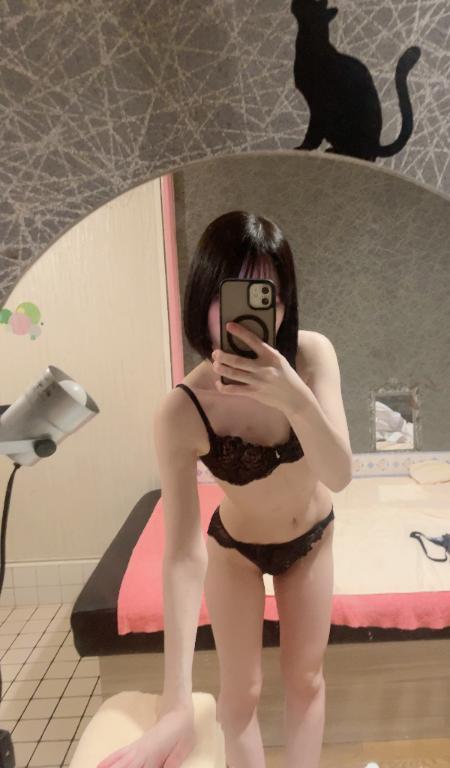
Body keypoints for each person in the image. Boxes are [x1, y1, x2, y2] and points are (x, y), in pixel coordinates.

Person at [97, 211, 352, 768]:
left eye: (267, 295)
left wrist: (294, 398)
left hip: (312, 539)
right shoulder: (182, 411)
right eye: (230, 294)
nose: (249, 314)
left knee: (306, 680)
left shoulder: (312, 357)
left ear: (284, 303)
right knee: (240, 697)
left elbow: (339, 473)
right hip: (234, 552)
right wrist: (175, 704)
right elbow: (181, 556)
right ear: (203, 300)